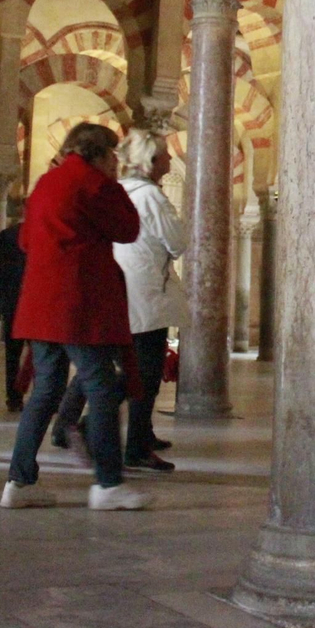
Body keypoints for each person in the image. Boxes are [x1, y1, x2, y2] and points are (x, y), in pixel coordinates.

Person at [0, 122, 145, 511]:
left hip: (41, 302)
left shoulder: (46, 183)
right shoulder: (95, 183)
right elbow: (129, 228)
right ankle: (109, 484)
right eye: (112, 154)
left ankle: (19, 480)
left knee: (45, 390)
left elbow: (27, 240)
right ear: (98, 153)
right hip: (77, 302)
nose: (115, 161)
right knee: (99, 385)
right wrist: (114, 183)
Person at [109, 128, 186, 471]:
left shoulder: (119, 190)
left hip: (121, 287)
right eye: (166, 154)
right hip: (146, 292)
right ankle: (136, 447)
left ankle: (141, 435)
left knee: (128, 366)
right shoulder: (152, 197)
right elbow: (178, 241)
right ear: (153, 162)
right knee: (146, 372)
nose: (170, 158)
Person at [0, 205, 27, 412]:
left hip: (11, 300)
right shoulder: (41, 234)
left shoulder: (5, 236)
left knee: (13, 352)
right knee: (39, 354)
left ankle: (14, 397)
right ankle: (43, 396)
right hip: (32, 300)